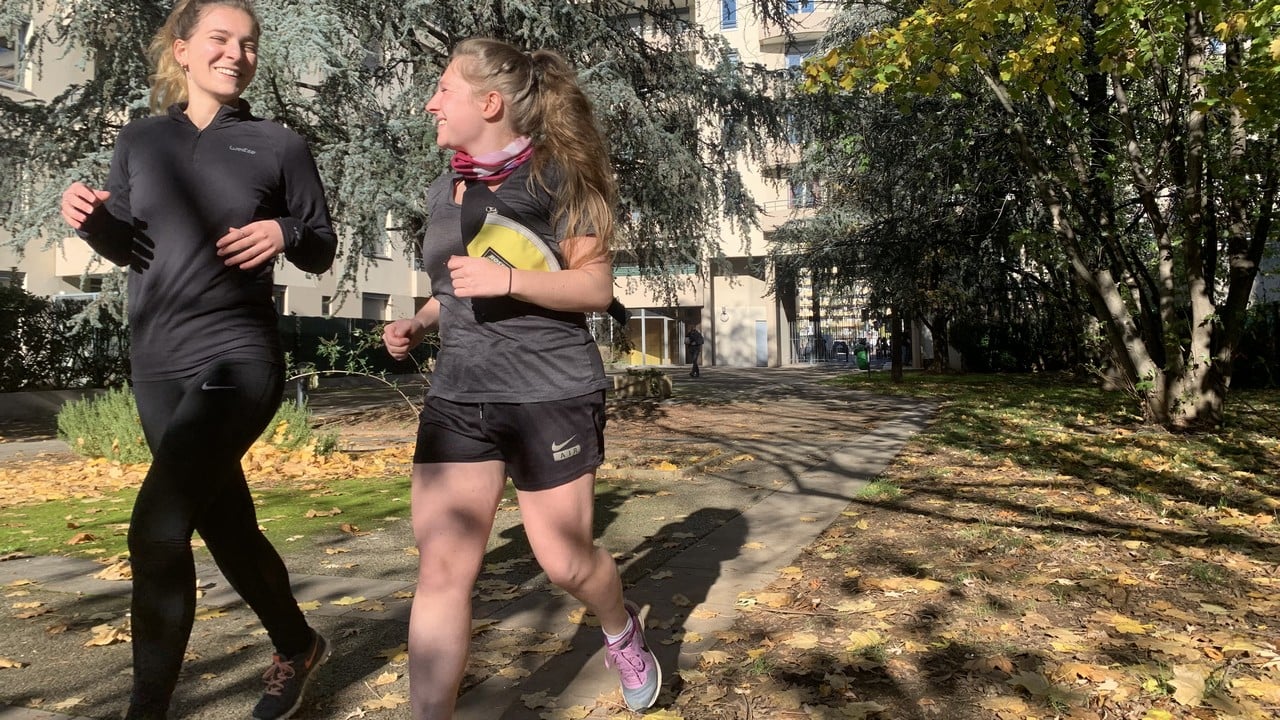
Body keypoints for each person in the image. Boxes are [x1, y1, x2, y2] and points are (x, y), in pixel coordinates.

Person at [58, 1, 337, 718]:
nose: (235, 54)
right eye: (219, 40)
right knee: (225, 525)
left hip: (239, 356)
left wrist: (282, 227)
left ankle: (146, 708)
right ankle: (297, 644)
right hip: (157, 360)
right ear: (182, 51)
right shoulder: (141, 142)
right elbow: (132, 248)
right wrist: (94, 223)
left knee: (156, 525)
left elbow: (321, 245)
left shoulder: (279, 145)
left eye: (247, 44)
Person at [381, 38, 662, 718]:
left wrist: (509, 279)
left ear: (489, 102)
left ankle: (622, 631)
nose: (430, 103)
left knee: (565, 563)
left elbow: (595, 288)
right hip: (458, 395)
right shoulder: (446, 187)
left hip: (550, 391)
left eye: (442, 89)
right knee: (443, 570)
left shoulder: (564, 177)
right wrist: (420, 321)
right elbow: (457, 285)